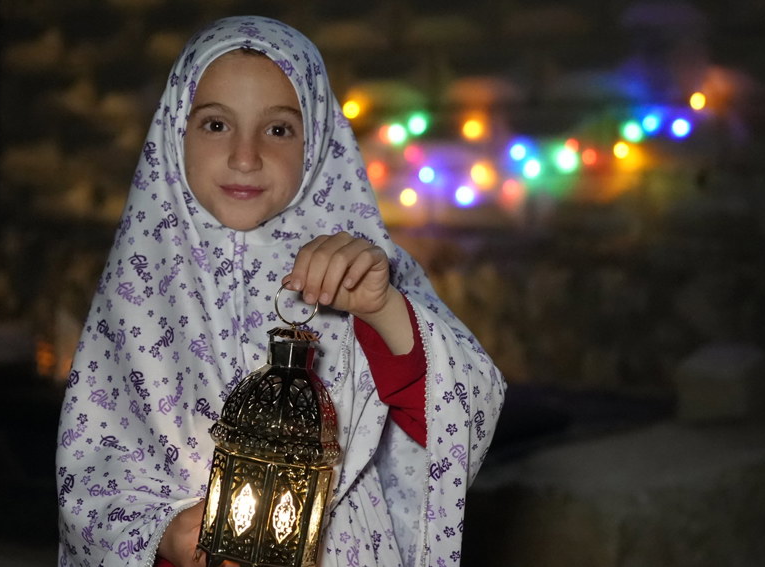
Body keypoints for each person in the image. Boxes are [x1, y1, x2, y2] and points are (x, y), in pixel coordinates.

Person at [56, 15, 506, 567]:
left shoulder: (362, 269)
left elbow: (461, 420)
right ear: (176, 128)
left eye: (277, 129)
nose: (245, 157)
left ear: (317, 139)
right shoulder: (140, 287)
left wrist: (383, 309)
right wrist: (164, 533)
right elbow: (93, 470)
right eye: (217, 125)